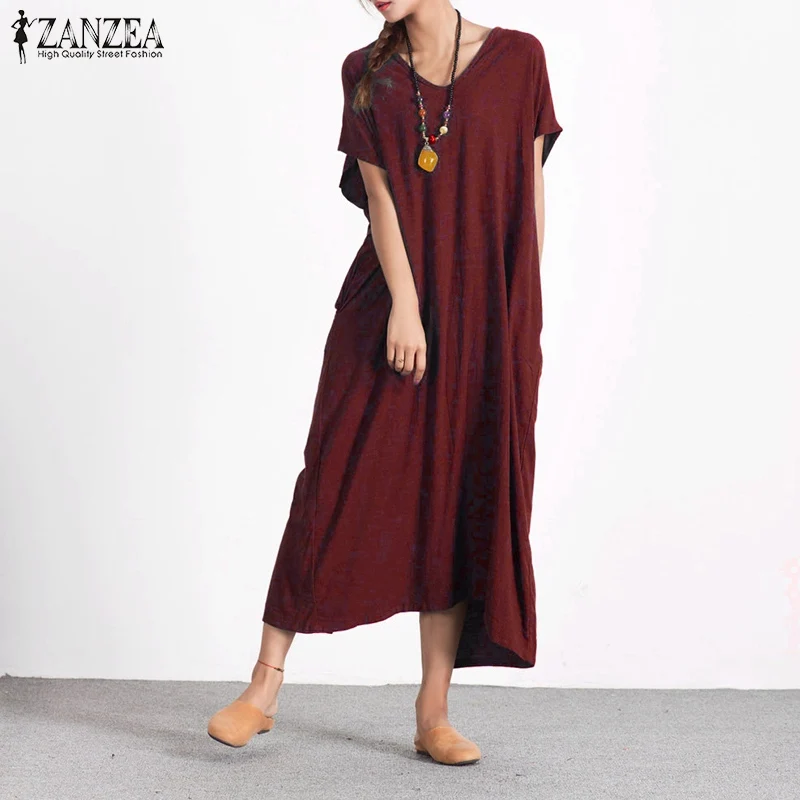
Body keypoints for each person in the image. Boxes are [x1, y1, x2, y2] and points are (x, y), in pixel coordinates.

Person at [208, 0, 562, 766]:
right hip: (388, 306)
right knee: (331, 477)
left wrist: (516, 318)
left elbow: (530, 197)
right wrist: (405, 304)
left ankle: (433, 712)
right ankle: (263, 688)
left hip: (484, 317)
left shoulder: (521, 60)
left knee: (456, 492)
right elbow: (380, 199)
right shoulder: (367, 75)